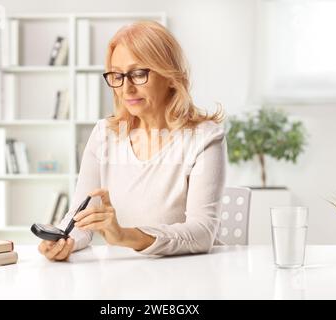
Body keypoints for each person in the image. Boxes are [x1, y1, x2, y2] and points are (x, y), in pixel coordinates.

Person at [38, 20, 225, 261]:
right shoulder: (104, 134)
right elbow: (81, 218)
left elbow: (202, 233)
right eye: (117, 75)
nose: (126, 88)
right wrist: (65, 241)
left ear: (170, 76)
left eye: (138, 74)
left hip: (185, 277)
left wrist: (125, 236)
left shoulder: (204, 138)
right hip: (118, 278)